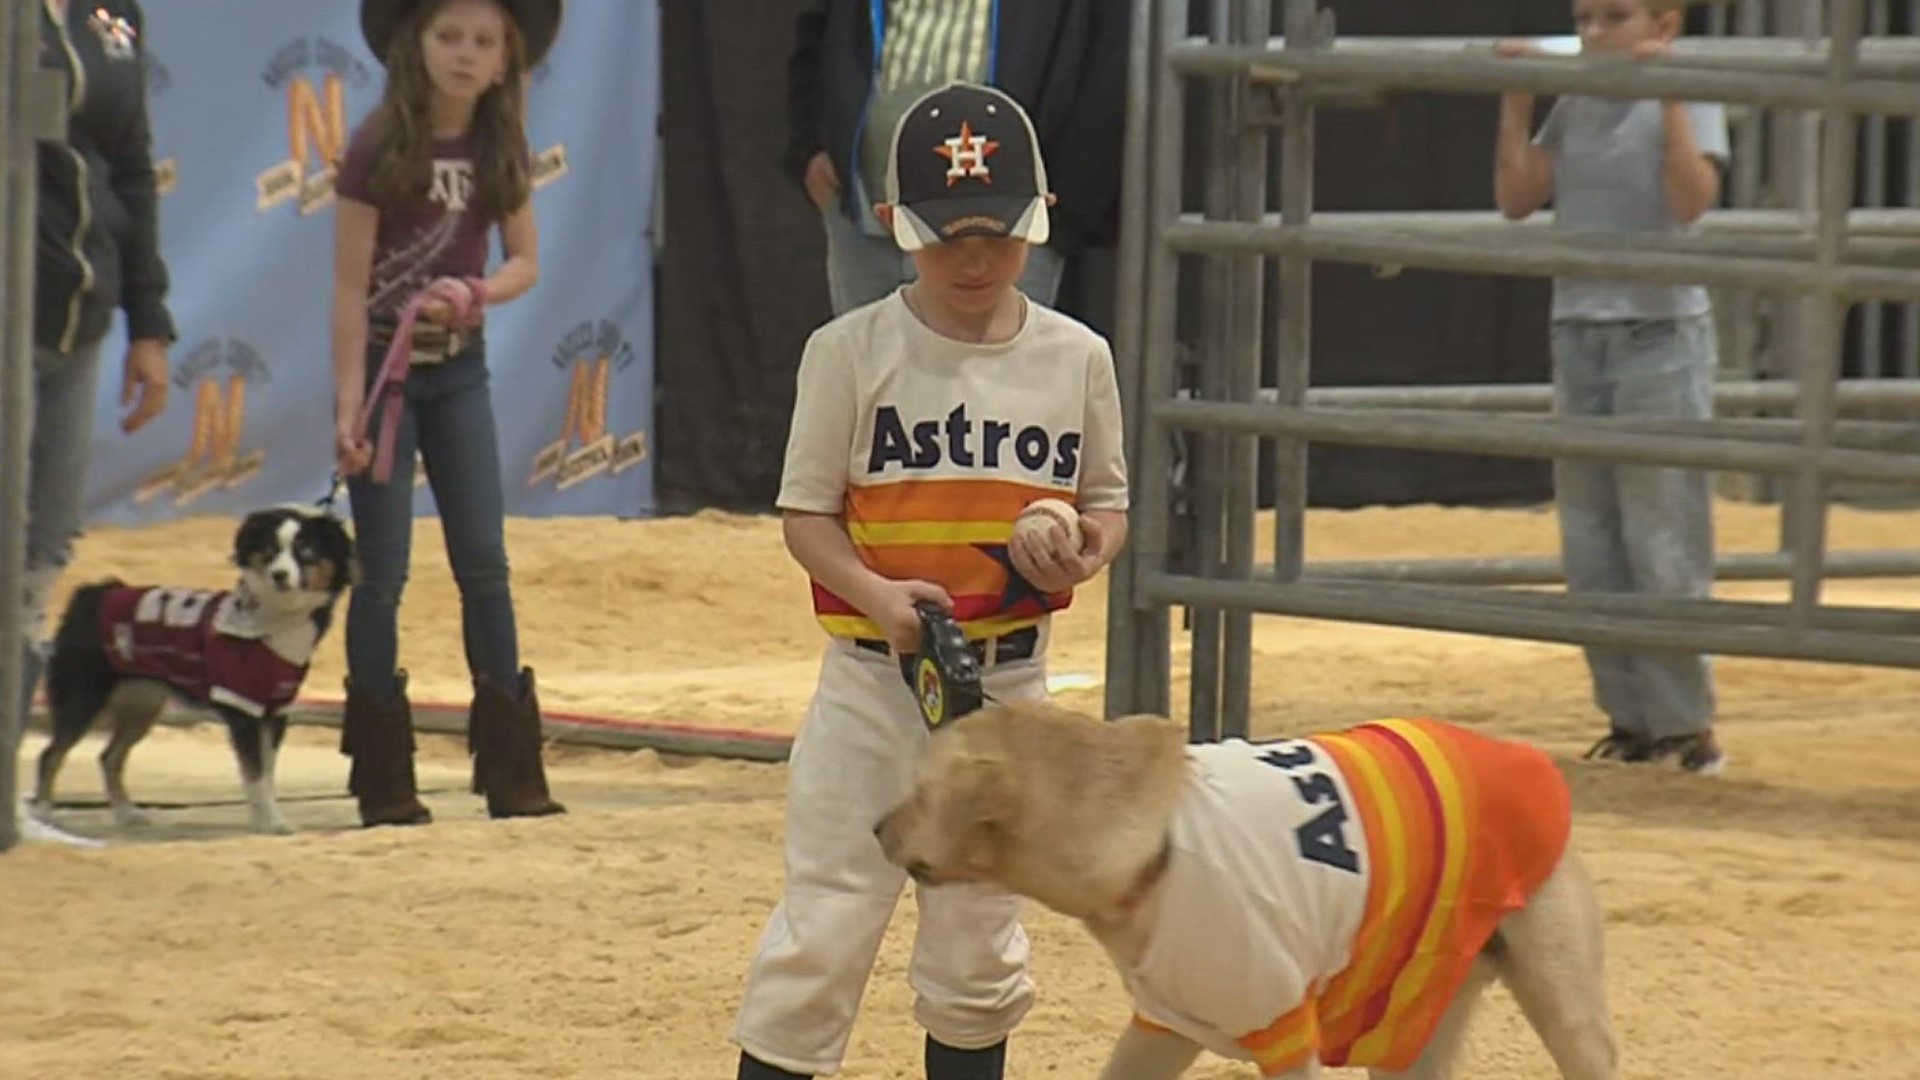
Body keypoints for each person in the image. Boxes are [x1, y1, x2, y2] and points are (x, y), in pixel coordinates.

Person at [730, 82, 1130, 1080]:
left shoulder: (1079, 357)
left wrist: (1081, 545)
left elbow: (1109, 505)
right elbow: (805, 516)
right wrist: (876, 595)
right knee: (825, 921)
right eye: (948, 239)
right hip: (872, 681)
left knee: (979, 937)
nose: (975, 260)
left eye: (998, 237)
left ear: (1037, 226)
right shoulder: (848, 352)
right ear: (895, 229)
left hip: (1008, 690)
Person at [329, 0, 567, 826]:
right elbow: (348, 287)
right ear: (415, 45)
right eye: (449, 37)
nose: (465, 55)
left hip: (459, 373)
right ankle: (383, 777)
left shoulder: (500, 147)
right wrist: (349, 407)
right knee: (382, 571)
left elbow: (526, 262)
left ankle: (511, 768)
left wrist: (476, 290)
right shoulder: (375, 148)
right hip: (386, 380)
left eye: (483, 41)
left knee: (483, 562)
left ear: (506, 60)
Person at [1493, 0, 1729, 775]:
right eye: (1585, 17)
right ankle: (1629, 720)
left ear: (1664, 27)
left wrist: (1666, 96)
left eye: (1615, 18)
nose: (1593, 33)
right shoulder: (1578, 97)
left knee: (1662, 535)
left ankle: (1685, 727)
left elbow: (1692, 201)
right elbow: (1519, 198)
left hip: (1661, 332)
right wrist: (1518, 97)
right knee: (1592, 537)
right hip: (1581, 327)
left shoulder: (1694, 90)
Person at [20, 0, 173, 780]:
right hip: (10, 307)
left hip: (80, 320)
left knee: (44, 547)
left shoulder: (112, 12)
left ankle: (8, 788)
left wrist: (148, 319)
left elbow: (132, 167)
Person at [783, 0, 1129, 316]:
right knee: (868, 375)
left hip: (1006, 221)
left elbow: (1110, 61)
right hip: (863, 209)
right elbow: (817, 33)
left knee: (991, 379)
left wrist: (1065, 208)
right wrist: (810, 148)